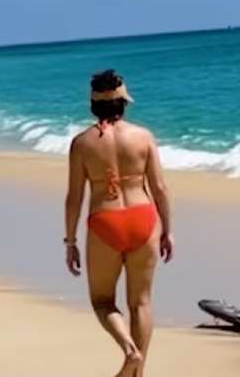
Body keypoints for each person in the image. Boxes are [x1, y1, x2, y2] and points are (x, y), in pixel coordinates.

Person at [64, 69, 174, 377]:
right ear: (123, 103)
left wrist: (69, 241)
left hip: (105, 223)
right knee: (141, 302)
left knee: (102, 301)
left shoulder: (81, 144)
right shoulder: (143, 137)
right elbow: (160, 188)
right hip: (143, 218)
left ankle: (129, 350)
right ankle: (137, 371)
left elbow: (74, 197)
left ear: (93, 105)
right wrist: (168, 230)